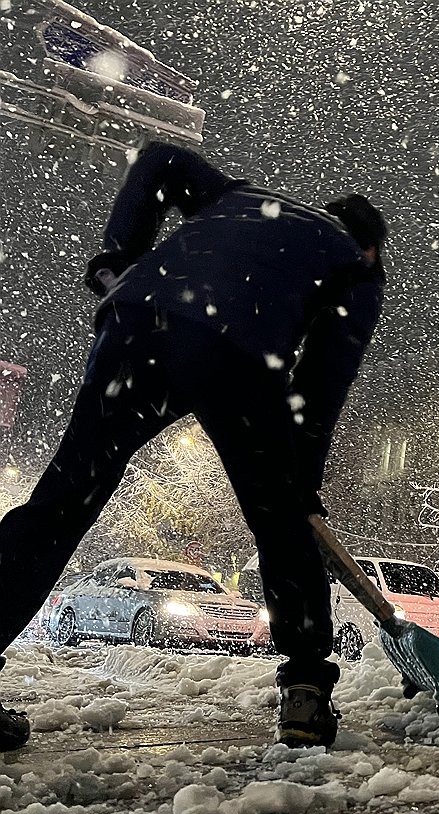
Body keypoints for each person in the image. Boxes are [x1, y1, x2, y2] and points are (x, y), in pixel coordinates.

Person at [0, 142, 386, 752]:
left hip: (137, 322)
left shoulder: (242, 199)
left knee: (61, 503)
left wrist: (116, 257)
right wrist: (300, 484)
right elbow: (320, 387)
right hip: (240, 352)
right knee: (280, 525)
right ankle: (307, 690)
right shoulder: (355, 268)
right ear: (370, 247)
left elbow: (158, 159)